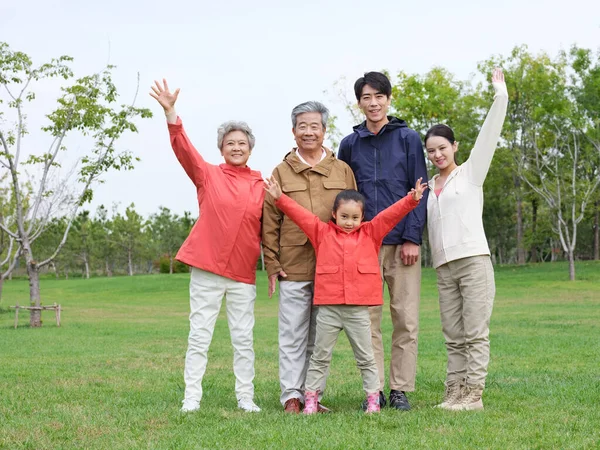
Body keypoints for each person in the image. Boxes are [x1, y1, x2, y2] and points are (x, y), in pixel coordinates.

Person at [263, 177, 427, 414]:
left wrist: (411, 200)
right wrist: (279, 198)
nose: (349, 222)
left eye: (355, 217)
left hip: (358, 311)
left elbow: (390, 215)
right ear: (334, 214)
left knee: (366, 358)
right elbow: (300, 214)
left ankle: (373, 399)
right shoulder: (321, 232)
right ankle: (310, 400)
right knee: (319, 358)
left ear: (363, 217)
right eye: (344, 216)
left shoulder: (371, 233)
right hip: (328, 310)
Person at [150, 79, 265, 413]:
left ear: (250, 148)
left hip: (243, 273)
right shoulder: (208, 174)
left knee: (243, 340)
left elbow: (274, 225)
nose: (237, 147)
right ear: (221, 148)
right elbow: (183, 149)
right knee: (199, 335)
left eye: (242, 143)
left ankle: (246, 397)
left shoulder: (262, 184)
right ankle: (192, 398)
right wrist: (172, 113)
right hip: (207, 269)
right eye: (230, 143)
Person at [338, 72, 429, 410]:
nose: (373, 103)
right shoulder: (350, 144)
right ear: (359, 102)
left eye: (379, 96)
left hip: (402, 242)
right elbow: (344, 196)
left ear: (389, 99)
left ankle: (400, 389)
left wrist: (412, 237)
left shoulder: (407, 138)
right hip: (363, 245)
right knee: (368, 321)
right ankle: (373, 390)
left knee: (405, 318)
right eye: (366, 97)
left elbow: (421, 189)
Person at [262, 101, 357, 413]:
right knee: (292, 334)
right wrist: (272, 264)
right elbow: (269, 222)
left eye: (314, 126)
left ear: (324, 131)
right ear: (293, 131)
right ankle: (291, 396)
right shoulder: (281, 172)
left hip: (331, 269)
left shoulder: (342, 171)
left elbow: (355, 218)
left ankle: (313, 396)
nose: (308, 132)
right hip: (293, 267)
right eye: (302, 126)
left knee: (320, 338)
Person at [425, 68, 508, 411]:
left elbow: (490, 133)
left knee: (474, 333)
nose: (437, 155)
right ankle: (454, 392)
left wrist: (499, 92)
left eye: (442, 148)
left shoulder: (470, 174)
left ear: (454, 146)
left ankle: (473, 395)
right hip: (444, 267)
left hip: (474, 261)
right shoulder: (428, 187)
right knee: (453, 336)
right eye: (430, 151)